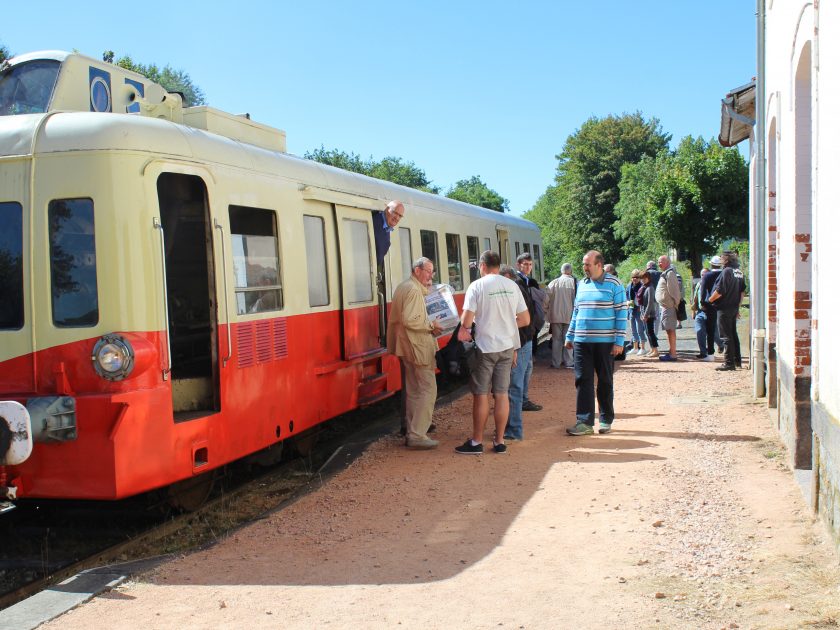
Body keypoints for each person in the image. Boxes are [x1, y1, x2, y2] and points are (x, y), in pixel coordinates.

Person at [455, 251, 529, 454]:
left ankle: (477, 441)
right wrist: (506, 325)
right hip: (507, 348)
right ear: (498, 265)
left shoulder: (477, 286)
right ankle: (499, 441)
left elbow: (467, 322)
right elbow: (525, 319)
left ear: (482, 266)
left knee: (481, 395)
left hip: (485, 348)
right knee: (502, 394)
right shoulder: (512, 285)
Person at [565, 250, 627, 436]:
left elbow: (622, 313)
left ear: (599, 265)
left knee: (605, 381)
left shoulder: (615, 284)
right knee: (582, 380)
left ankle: (606, 420)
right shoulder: (581, 284)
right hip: (582, 342)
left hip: (605, 342)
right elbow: (576, 312)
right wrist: (570, 335)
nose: (584, 268)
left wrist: (619, 341)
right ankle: (584, 422)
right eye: (583, 264)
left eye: (587, 265)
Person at [386, 257, 442, 449]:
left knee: (414, 390)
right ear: (417, 271)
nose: (431, 275)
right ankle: (418, 434)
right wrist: (431, 325)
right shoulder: (413, 290)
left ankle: (412, 431)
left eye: (432, 272)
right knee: (428, 389)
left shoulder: (405, 286)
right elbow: (411, 319)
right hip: (417, 346)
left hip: (407, 347)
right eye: (428, 271)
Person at [499, 265, 536, 441]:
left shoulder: (514, 290)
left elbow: (521, 320)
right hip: (522, 341)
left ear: (506, 276)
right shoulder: (518, 287)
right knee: (514, 385)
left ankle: (513, 430)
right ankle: (510, 427)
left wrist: (513, 345)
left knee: (513, 386)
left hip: (519, 342)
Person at [515, 253, 544, 412]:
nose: (528, 267)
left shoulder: (527, 282)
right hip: (523, 332)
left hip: (528, 330)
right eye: (525, 264)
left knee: (527, 367)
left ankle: (522, 398)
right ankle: (520, 400)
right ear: (518, 264)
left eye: (530, 265)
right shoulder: (518, 282)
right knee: (522, 368)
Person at [708, 252, 746, 372]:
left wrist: (710, 299)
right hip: (734, 307)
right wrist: (738, 307)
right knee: (733, 334)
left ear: (726, 259)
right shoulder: (739, 272)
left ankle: (729, 363)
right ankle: (737, 360)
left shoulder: (727, 271)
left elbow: (720, 290)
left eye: (722, 258)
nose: (720, 260)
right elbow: (742, 292)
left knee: (726, 336)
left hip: (724, 307)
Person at [546, 263, 577, 368]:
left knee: (556, 339)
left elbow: (546, 299)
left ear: (561, 271)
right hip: (570, 316)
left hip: (555, 316)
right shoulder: (574, 283)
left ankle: (556, 363)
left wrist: (546, 311)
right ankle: (569, 362)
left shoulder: (554, 283)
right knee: (569, 338)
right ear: (571, 271)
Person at [654, 255, 681, 361]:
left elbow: (675, 292)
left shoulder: (670, 273)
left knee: (670, 330)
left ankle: (673, 354)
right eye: (658, 262)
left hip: (669, 307)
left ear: (667, 262)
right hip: (666, 307)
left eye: (661, 262)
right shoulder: (666, 273)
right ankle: (671, 351)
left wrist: (674, 304)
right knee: (668, 330)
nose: (659, 263)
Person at [699, 255, 725, 355]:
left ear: (711, 264)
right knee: (726, 329)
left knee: (710, 330)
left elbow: (703, 291)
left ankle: (710, 353)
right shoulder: (724, 275)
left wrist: (703, 303)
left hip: (710, 305)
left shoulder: (707, 275)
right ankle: (732, 355)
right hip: (724, 305)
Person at [692, 268, 715, 361]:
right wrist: (693, 311)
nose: (703, 276)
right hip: (700, 311)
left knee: (715, 333)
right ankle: (703, 352)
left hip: (710, 311)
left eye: (705, 274)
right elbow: (694, 299)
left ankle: (720, 345)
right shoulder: (698, 284)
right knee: (699, 330)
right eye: (702, 275)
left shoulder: (712, 284)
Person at [373, 200, 405, 265]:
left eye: (400, 216)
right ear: (387, 209)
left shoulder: (386, 226)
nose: (397, 218)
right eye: (395, 213)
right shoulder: (375, 222)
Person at [625, 269, 647, 355]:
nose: (635, 279)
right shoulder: (629, 286)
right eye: (633, 277)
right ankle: (635, 348)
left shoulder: (642, 286)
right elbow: (627, 298)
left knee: (640, 330)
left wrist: (639, 307)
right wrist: (629, 306)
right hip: (631, 310)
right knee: (633, 330)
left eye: (637, 277)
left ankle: (643, 348)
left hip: (639, 310)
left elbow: (644, 299)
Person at [639, 270, 659, 358]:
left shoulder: (650, 288)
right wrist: (642, 314)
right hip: (645, 314)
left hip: (650, 314)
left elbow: (650, 303)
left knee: (650, 332)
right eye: (642, 278)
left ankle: (655, 350)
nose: (643, 280)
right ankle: (652, 349)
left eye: (644, 278)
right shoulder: (644, 287)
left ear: (648, 278)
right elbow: (642, 303)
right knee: (648, 332)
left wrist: (646, 315)